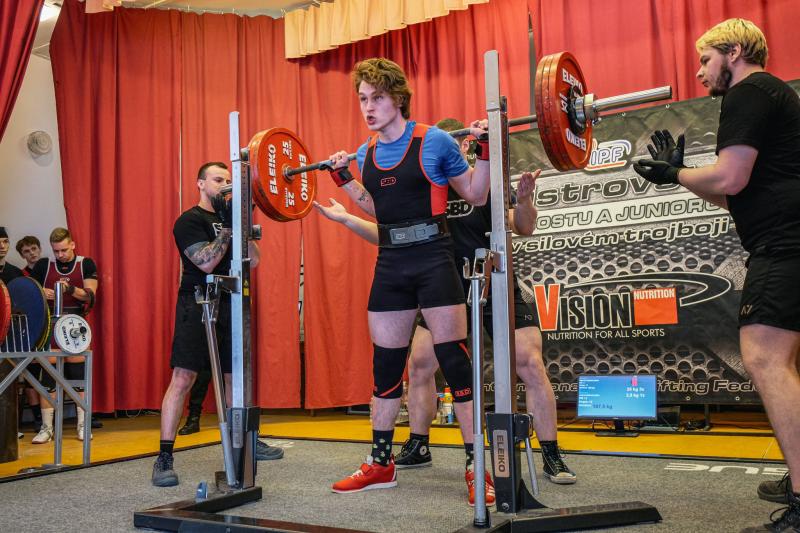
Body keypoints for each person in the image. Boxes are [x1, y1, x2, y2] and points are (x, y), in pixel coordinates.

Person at [317, 119, 576, 503]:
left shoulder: (479, 184)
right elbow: (389, 233)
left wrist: (524, 201)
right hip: (439, 285)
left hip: (492, 280)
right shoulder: (423, 184)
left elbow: (521, 227)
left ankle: (551, 452)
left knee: (529, 361)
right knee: (420, 364)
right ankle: (418, 443)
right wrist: (346, 217)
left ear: (464, 148)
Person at [633, 18, 800, 532]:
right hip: (786, 237)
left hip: (785, 242)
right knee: (785, 361)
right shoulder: (772, 95)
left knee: (764, 357)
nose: (700, 72)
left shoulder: (749, 91)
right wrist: (681, 178)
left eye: (705, 60)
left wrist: (675, 172)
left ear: (734, 52)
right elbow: (734, 195)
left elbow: (729, 176)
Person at [319, 58, 491, 499]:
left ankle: (478, 466)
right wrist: (343, 178)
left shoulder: (434, 141)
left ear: (398, 98)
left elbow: (476, 194)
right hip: (391, 262)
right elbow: (378, 208)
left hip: (435, 258)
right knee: (385, 367)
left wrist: (488, 150)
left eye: (376, 97)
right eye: (363, 99)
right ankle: (381, 463)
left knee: (455, 362)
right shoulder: (366, 153)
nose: (368, 107)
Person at [151, 161, 282, 488]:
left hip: (230, 302)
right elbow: (206, 262)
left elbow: (255, 260)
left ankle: (247, 442)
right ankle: (164, 457)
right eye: (217, 179)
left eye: (227, 180)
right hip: (198, 302)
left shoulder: (230, 219)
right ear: (200, 184)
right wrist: (226, 229)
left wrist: (241, 224)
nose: (224, 185)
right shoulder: (189, 221)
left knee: (234, 379)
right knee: (183, 378)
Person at [29, 227, 98, 442]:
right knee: (49, 376)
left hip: (74, 323)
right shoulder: (43, 265)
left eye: (64, 250)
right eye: (56, 251)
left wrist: (69, 290)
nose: (60, 255)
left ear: (73, 245)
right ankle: (47, 428)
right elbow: (30, 291)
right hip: (50, 323)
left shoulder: (86, 264)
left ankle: (83, 425)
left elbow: (90, 296)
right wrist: (42, 292)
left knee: (79, 376)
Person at [14, 235, 45, 430]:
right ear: (22, 255)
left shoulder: (50, 268)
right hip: (31, 327)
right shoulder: (20, 276)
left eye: (34, 248)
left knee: (56, 371)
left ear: (39, 249)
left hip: (49, 325)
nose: (32, 253)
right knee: (31, 373)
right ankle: (37, 417)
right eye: (26, 251)